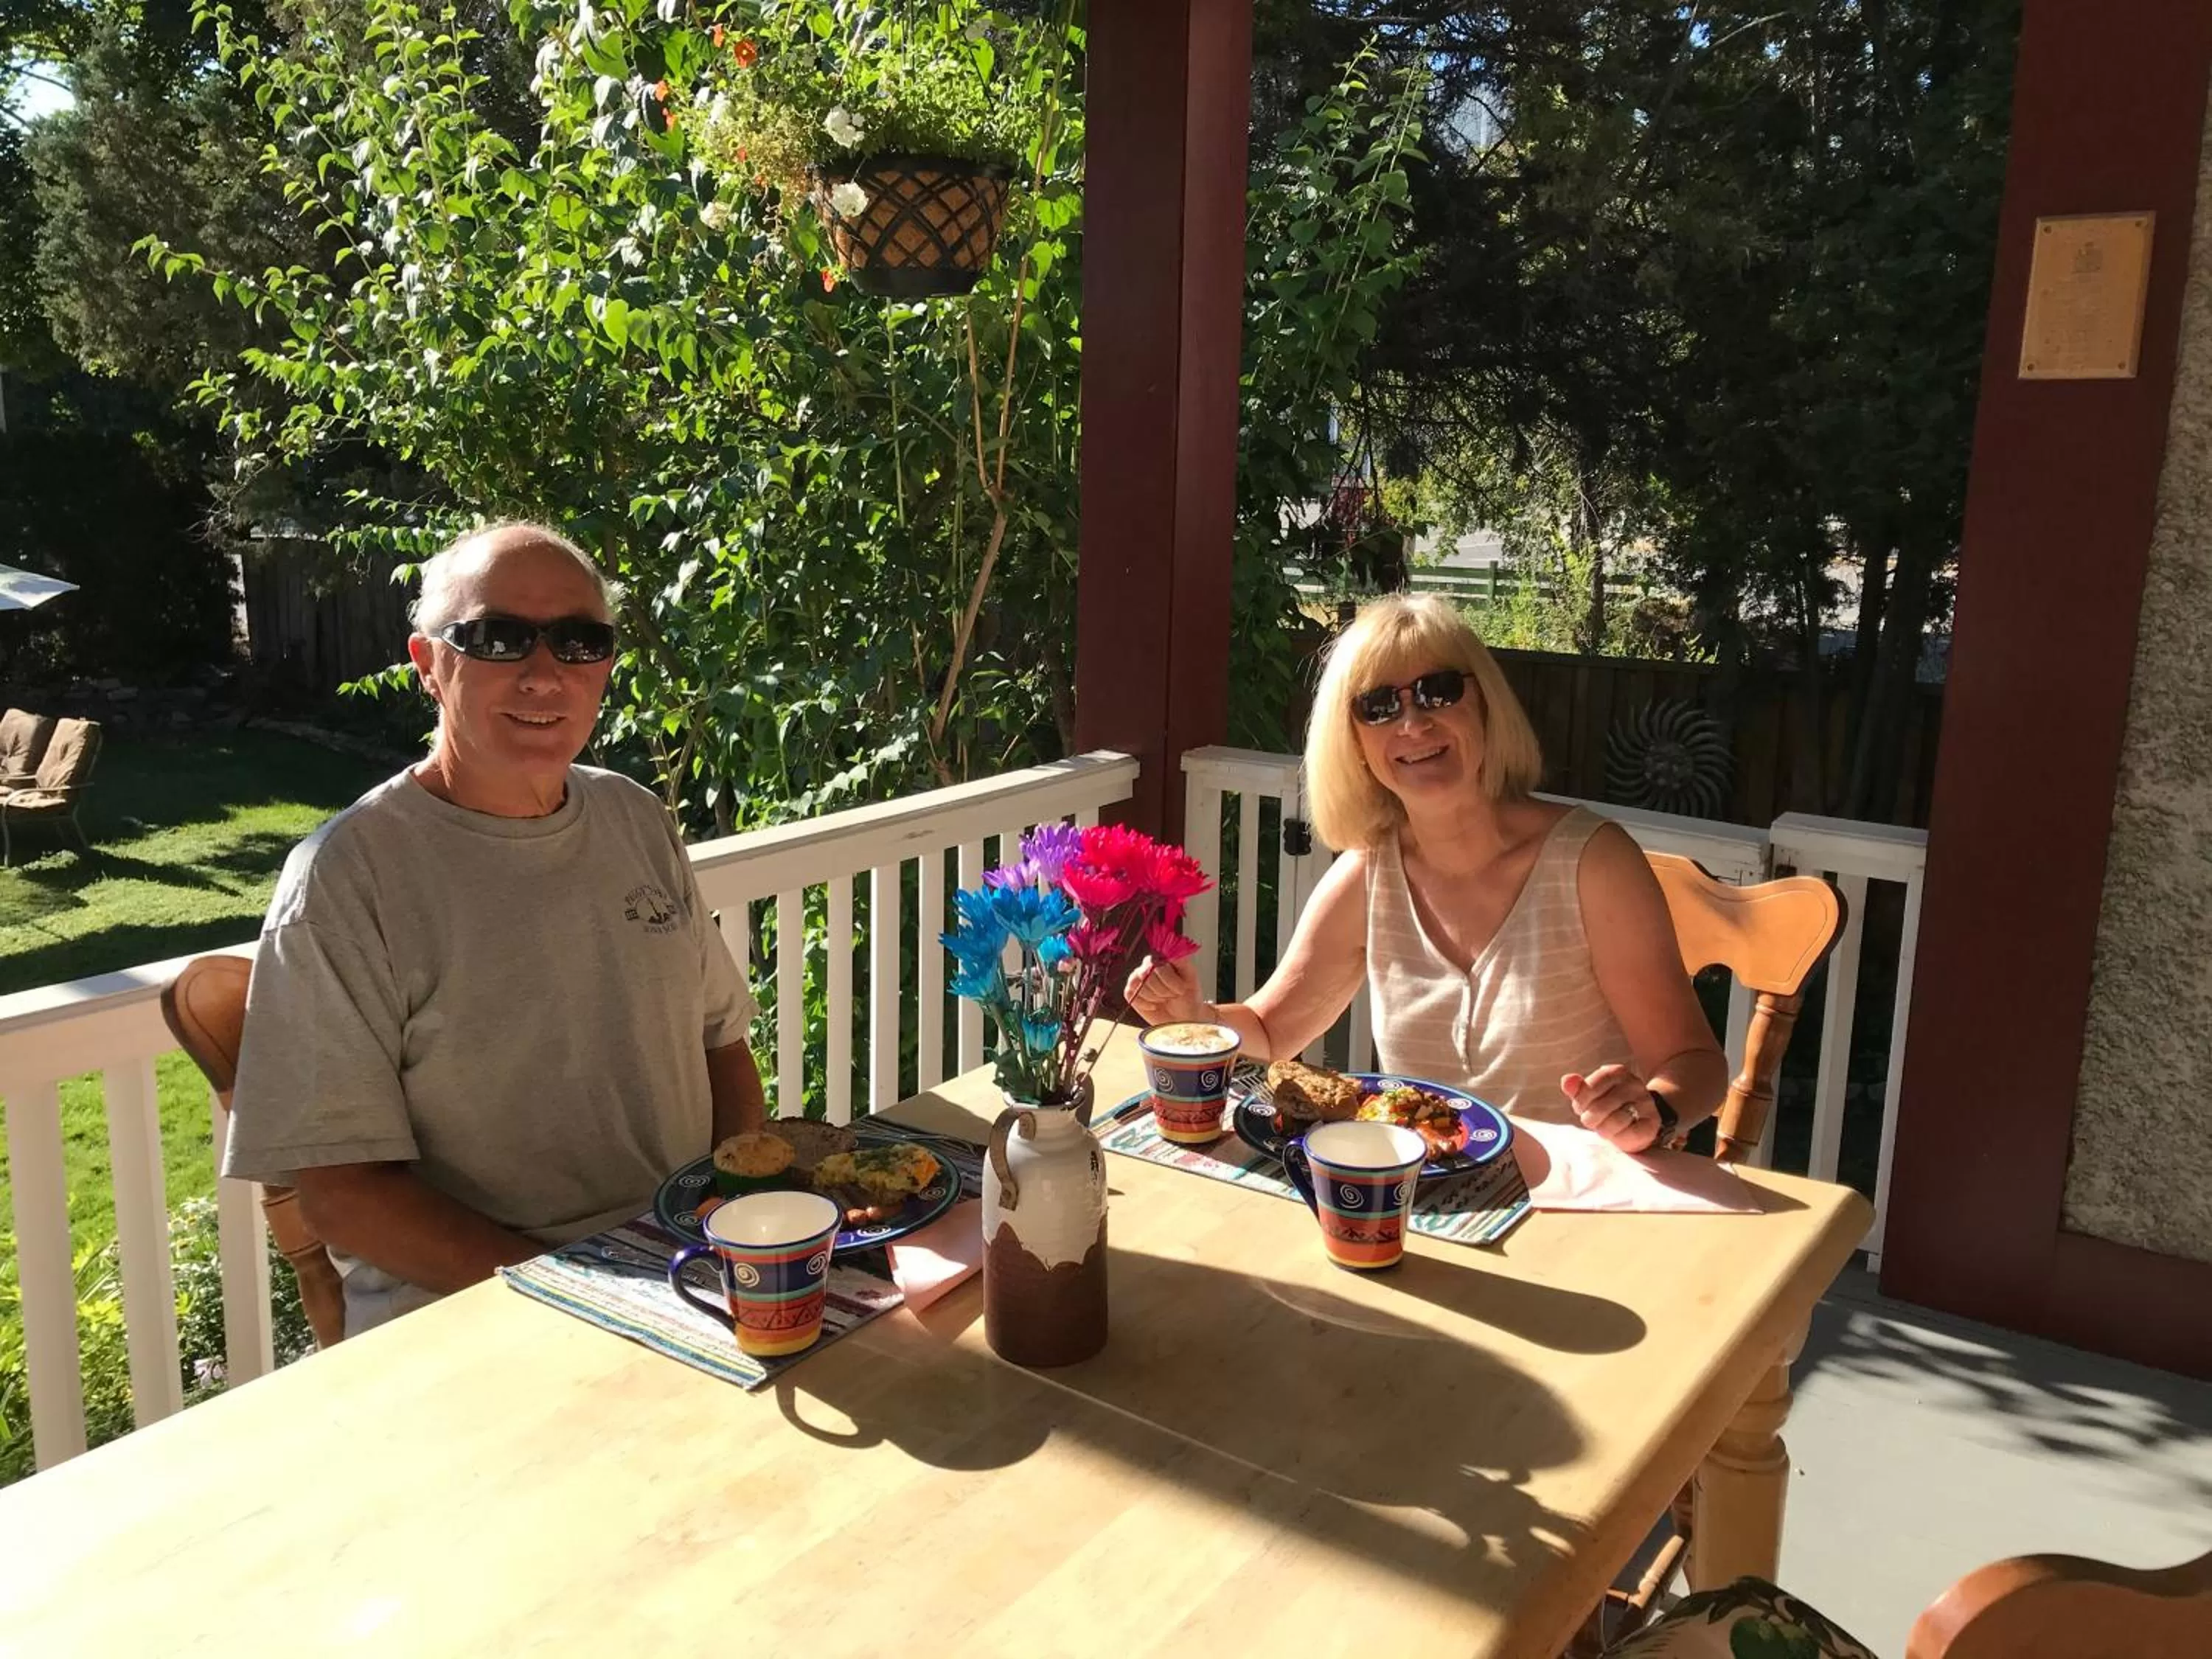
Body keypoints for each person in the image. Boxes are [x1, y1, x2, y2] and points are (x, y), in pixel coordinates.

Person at [224, 522, 765, 1335]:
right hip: (468, 1316)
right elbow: (342, 1195)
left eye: (580, 641)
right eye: (498, 638)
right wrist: (598, 1293)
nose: (545, 673)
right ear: (428, 665)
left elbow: (722, 1045)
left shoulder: (635, 819)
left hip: (682, 1273)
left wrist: (733, 1218)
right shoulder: (350, 877)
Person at [1127, 594, 1726, 1150]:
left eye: (1437, 691)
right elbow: (1269, 1027)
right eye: (1379, 706)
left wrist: (1653, 1108)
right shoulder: (1369, 876)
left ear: (1487, 704)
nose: (1412, 724)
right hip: (1425, 1199)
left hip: (1581, 1202)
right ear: (1355, 743)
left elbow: (1695, 1063)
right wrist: (1196, 1017)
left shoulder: (1593, 862)